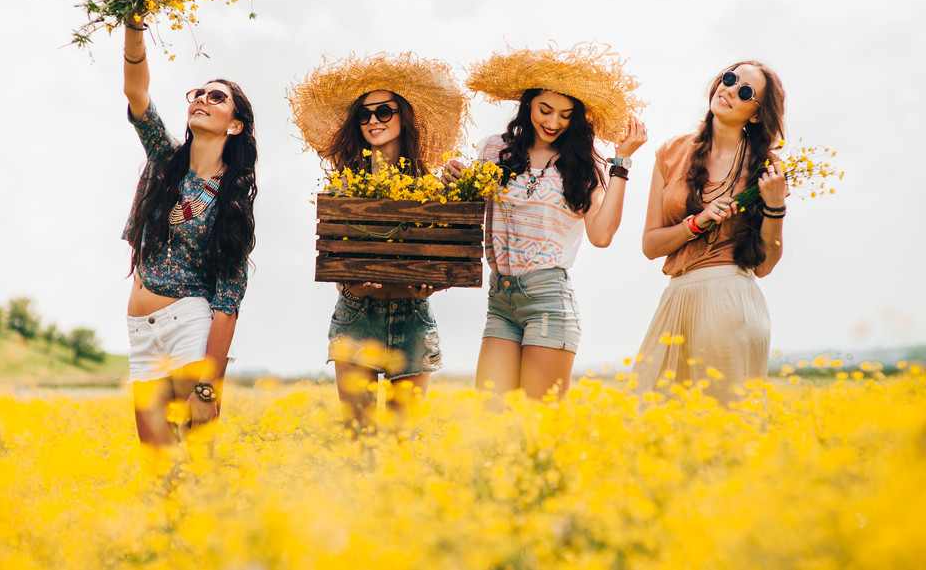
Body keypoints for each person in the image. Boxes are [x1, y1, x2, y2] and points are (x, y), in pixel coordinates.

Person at [446, 45, 647, 401]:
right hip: (500, 298)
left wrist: (621, 163)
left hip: (548, 300)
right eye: (545, 110)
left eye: (566, 115)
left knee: (537, 428)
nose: (554, 122)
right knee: (489, 423)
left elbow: (601, 236)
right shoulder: (495, 151)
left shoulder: (585, 165)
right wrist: (458, 185)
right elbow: (473, 218)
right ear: (528, 105)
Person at [289, 53, 467, 434]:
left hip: (413, 315)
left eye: (384, 111)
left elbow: (445, 259)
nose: (373, 121)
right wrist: (350, 280)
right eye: (365, 115)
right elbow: (337, 262)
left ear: (403, 117)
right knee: (359, 447)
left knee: (403, 449)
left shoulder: (432, 187)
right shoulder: (344, 186)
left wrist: (461, 193)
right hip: (356, 313)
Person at [120, 0, 257, 446]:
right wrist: (134, 22)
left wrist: (207, 386)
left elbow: (228, 298)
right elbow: (136, 91)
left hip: (189, 329)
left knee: (196, 461)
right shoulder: (164, 160)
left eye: (216, 98)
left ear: (234, 125)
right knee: (158, 466)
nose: (201, 98)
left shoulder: (230, 201)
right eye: (198, 92)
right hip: (141, 332)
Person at [631, 61, 787, 404]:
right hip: (677, 296)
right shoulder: (670, 152)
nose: (729, 90)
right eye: (728, 79)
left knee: (723, 428)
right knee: (647, 416)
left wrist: (776, 206)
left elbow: (763, 265)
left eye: (745, 91)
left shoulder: (767, 168)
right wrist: (696, 223)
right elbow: (650, 245)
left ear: (757, 114)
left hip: (731, 300)